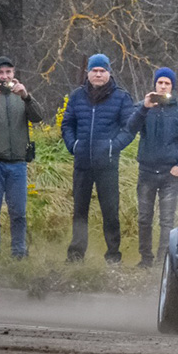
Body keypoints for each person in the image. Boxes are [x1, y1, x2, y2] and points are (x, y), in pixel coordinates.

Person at [61, 54, 135, 264]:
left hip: (107, 166)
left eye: (102, 71)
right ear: (88, 73)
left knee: (110, 212)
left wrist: (113, 146)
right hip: (82, 164)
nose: (98, 74)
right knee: (79, 211)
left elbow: (129, 128)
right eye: (94, 70)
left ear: (109, 73)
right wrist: (73, 145)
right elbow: (67, 124)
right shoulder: (77, 96)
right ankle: (76, 256)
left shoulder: (121, 97)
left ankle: (113, 256)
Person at [0, 56, 44, 258]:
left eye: (8, 72)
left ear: (14, 73)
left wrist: (26, 96)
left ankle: (19, 252)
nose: (5, 76)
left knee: (18, 212)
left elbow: (38, 117)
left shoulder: (21, 95)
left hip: (17, 164)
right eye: (0, 73)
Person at [127, 67, 178, 268]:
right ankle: (145, 260)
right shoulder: (143, 108)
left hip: (170, 174)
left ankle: (162, 262)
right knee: (144, 218)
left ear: (172, 86)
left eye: (167, 83)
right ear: (155, 84)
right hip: (146, 172)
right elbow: (129, 128)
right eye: (160, 82)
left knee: (167, 221)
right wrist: (144, 108)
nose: (163, 85)